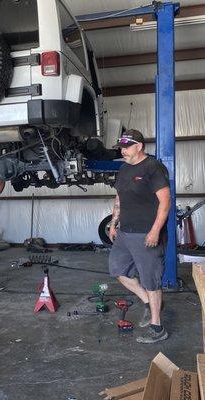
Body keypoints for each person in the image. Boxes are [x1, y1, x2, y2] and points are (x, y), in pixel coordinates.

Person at [109, 129, 171, 344]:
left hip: (146, 234)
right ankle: (148, 302)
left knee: (151, 280)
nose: (123, 150)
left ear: (139, 146)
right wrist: (113, 222)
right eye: (121, 147)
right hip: (125, 232)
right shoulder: (124, 169)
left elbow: (165, 202)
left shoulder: (153, 167)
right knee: (118, 270)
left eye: (126, 146)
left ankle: (157, 327)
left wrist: (155, 231)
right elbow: (119, 197)